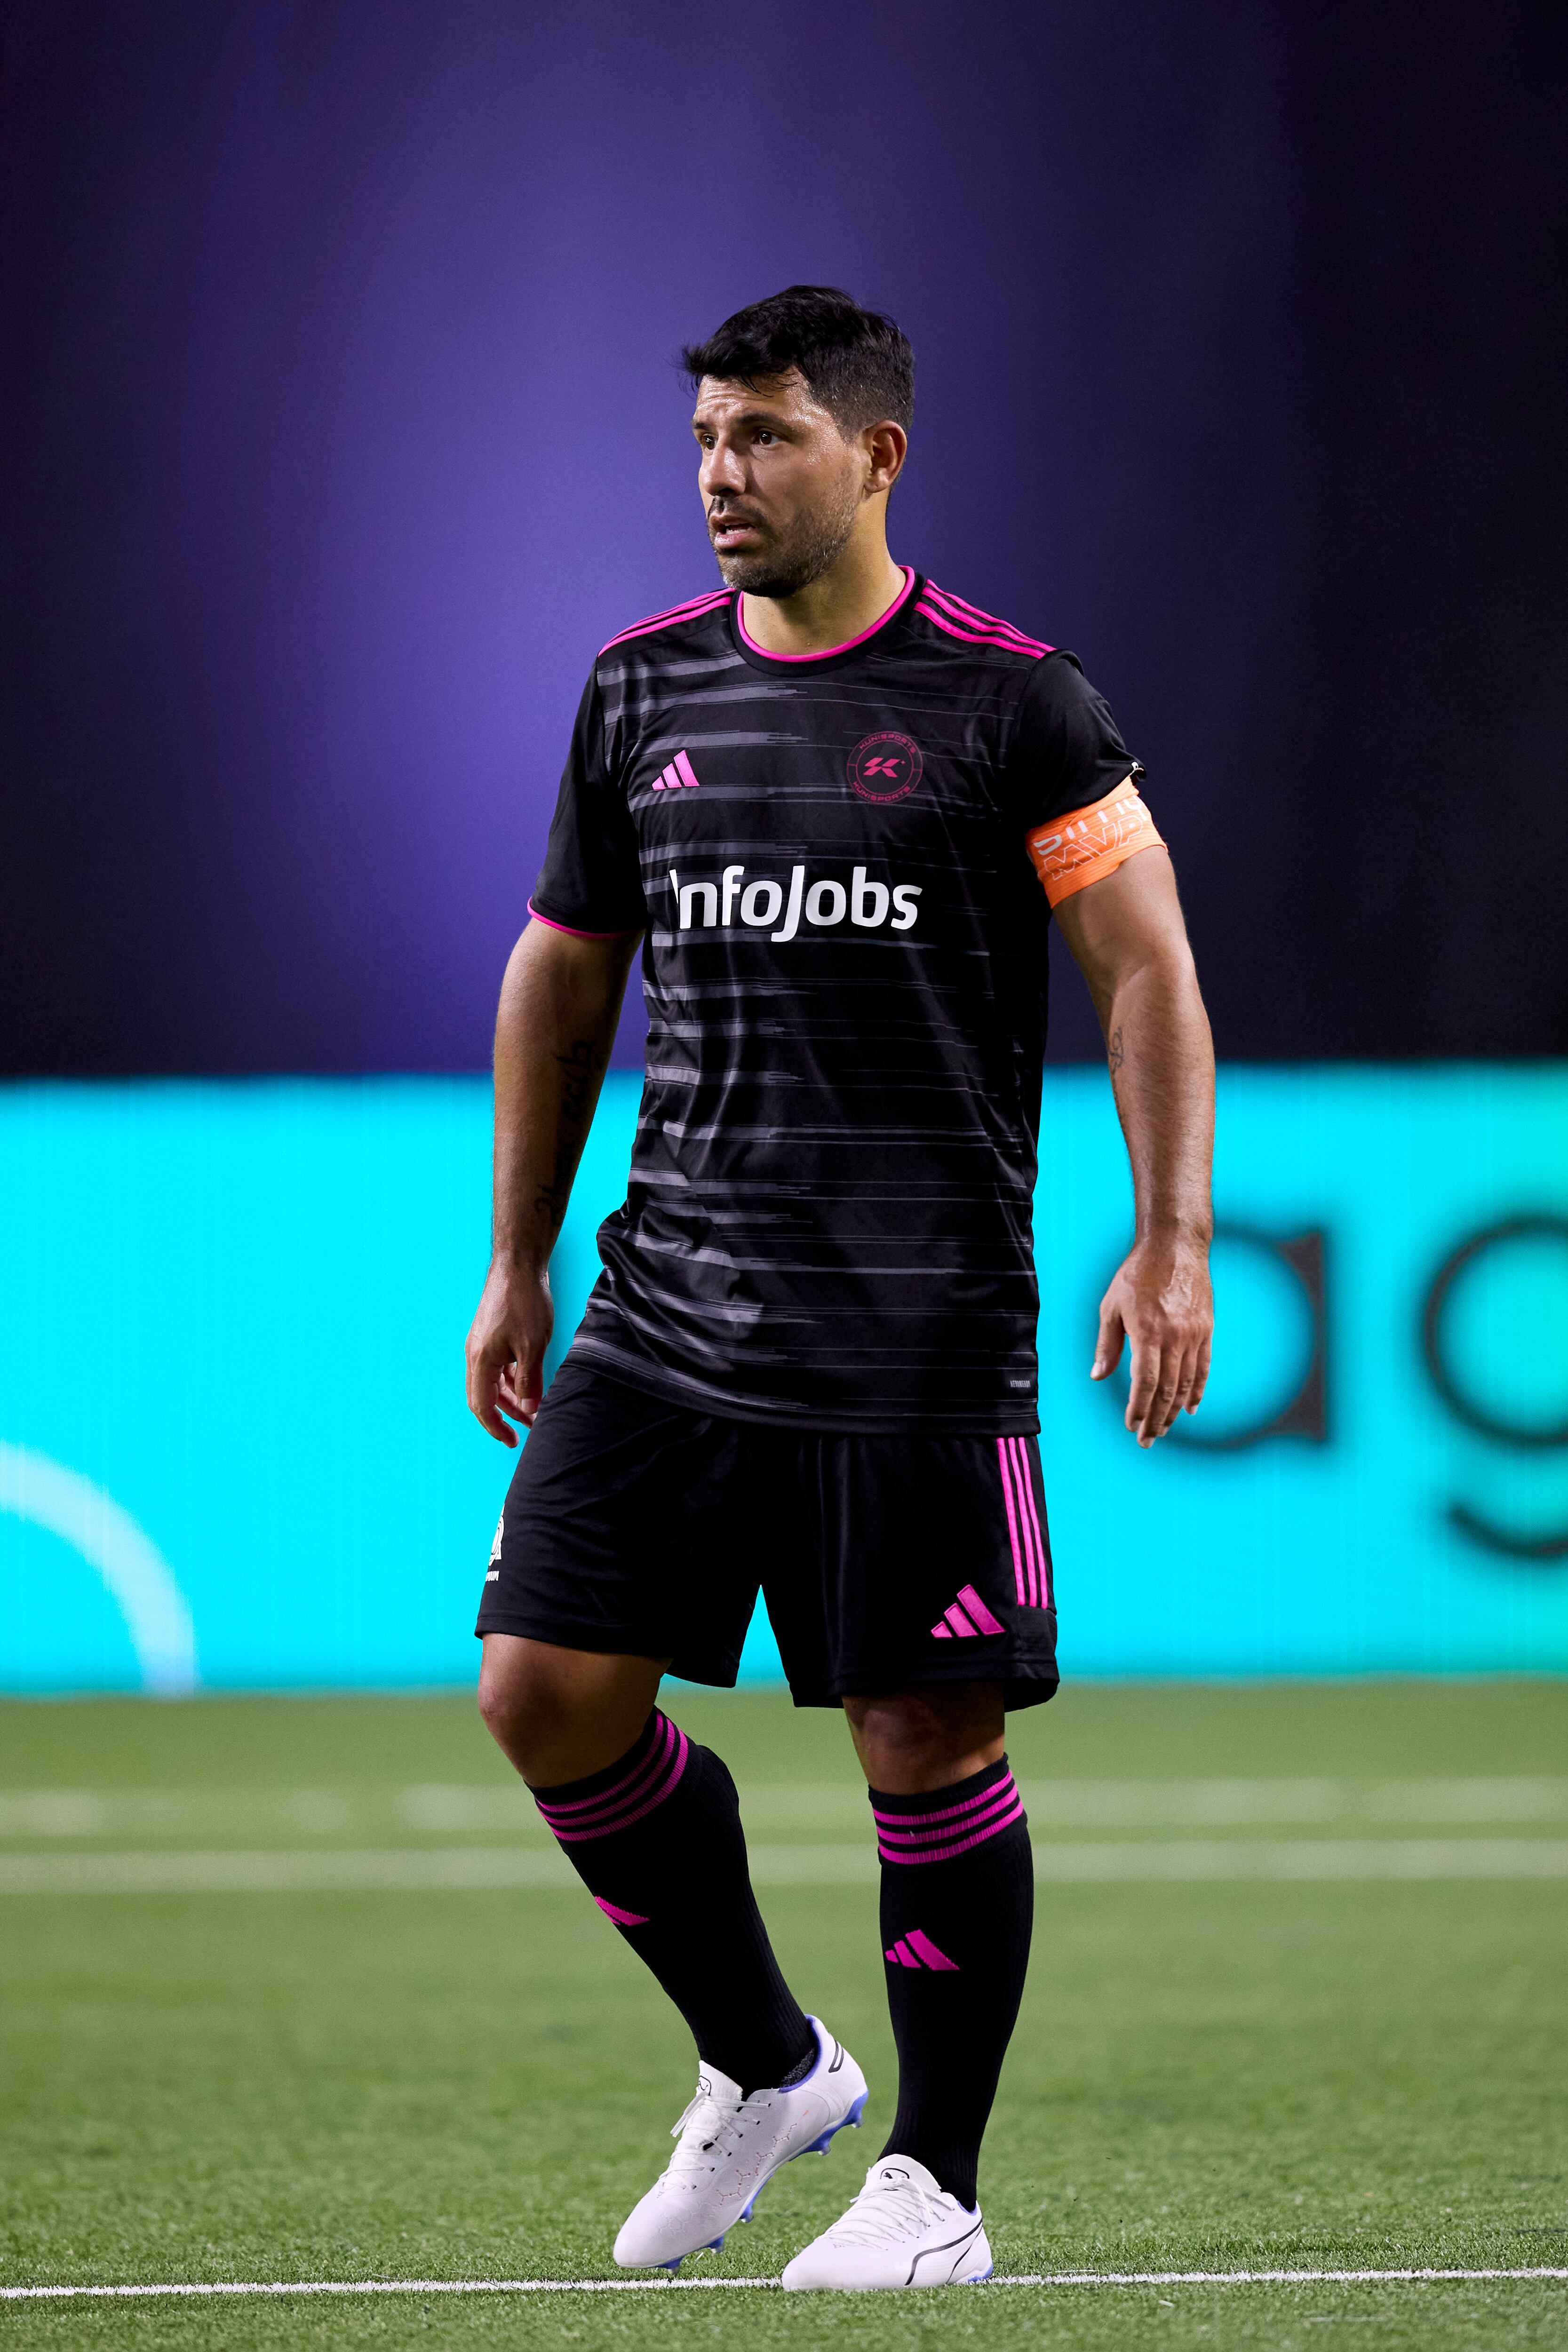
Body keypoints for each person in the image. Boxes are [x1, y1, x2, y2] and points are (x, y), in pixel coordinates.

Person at [465, 285, 1214, 2292]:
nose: (724, 473)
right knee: (541, 1692)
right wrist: (520, 1257)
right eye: (709, 437)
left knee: (922, 1733)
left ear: (877, 455)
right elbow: (564, 972)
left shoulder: (1016, 699)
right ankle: (770, 2060)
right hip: (668, 1305)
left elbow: (1145, 965)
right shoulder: (637, 691)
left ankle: (935, 2185)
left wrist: (1173, 1235)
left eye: (769, 434)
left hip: (913, 1324)